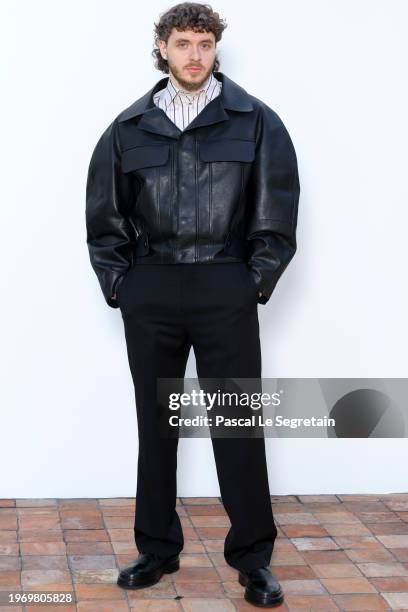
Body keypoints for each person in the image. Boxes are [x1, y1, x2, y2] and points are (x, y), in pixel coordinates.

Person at [85, 2, 300, 607]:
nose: (194, 55)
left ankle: (253, 557)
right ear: (162, 49)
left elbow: (276, 211)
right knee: (156, 425)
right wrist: (122, 286)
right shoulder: (128, 128)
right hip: (151, 288)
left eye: (204, 44)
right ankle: (156, 549)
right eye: (183, 43)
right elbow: (104, 219)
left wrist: (252, 280)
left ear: (215, 49)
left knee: (236, 422)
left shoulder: (255, 121)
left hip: (224, 285)